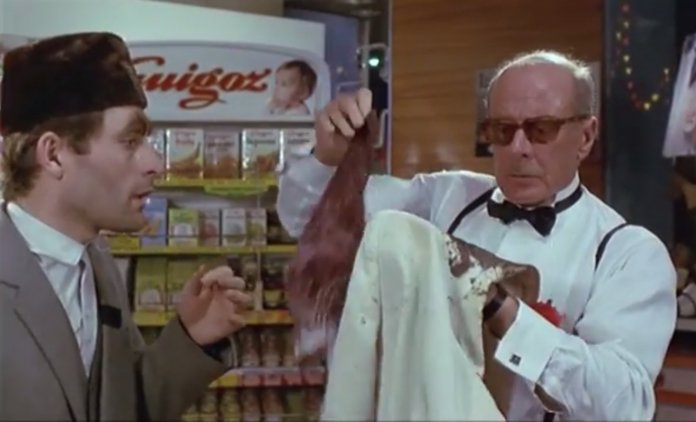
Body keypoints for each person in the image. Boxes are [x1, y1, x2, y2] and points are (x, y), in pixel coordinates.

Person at [276, 50, 678, 420]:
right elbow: (308, 220)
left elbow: (623, 403)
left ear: (585, 137)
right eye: (502, 130)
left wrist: (502, 309)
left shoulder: (626, 253)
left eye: (541, 130)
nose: (518, 148)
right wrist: (328, 157)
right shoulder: (446, 197)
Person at [0, 32, 251, 421]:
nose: (156, 164)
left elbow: (122, 406)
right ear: (54, 155)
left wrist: (190, 337)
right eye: (130, 141)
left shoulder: (99, 261)